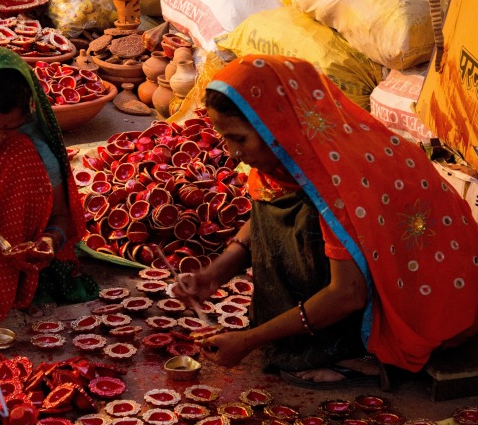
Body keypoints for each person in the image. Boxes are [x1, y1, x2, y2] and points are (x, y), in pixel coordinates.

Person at [174, 54, 478, 389]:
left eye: (240, 139)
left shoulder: (340, 180)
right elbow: (264, 222)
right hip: (358, 278)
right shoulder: (286, 159)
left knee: (307, 223)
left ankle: (355, 352)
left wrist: (250, 340)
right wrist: (212, 275)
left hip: (418, 297)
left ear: (278, 126)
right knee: (284, 211)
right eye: (224, 137)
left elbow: (346, 294)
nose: (232, 151)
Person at [0, 46, 98, 328]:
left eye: (11, 127)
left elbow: (61, 218)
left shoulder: (27, 148)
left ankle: (2, 278)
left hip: (1, 258)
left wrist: (49, 241)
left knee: (18, 154)